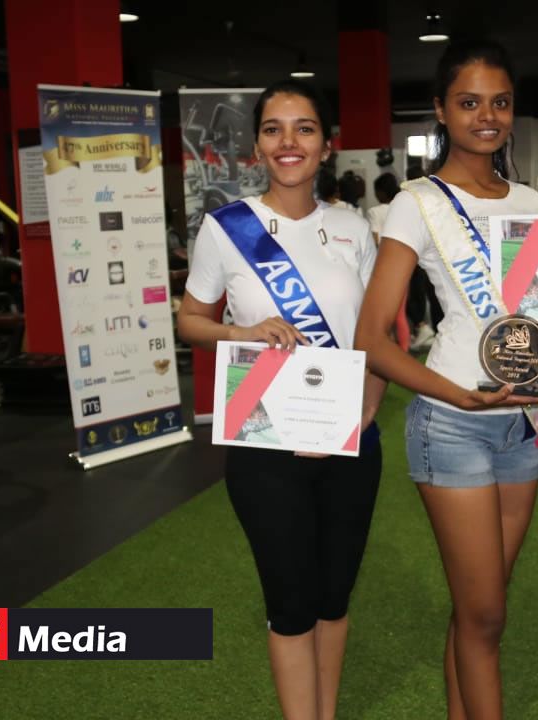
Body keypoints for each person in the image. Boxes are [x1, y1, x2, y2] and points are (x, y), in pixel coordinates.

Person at [354, 38, 538, 720]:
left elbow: (528, 315)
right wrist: (457, 393)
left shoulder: (527, 197)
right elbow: (372, 339)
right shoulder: (415, 202)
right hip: (452, 421)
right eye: (468, 102)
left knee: (481, 607)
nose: (485, 116)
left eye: (499, 102)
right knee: (484, 615)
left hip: (521, 422)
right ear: (440, 111)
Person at [176, 80, 385, 720]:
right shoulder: (224, 229)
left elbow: (378, 335)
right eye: (273, 129)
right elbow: (189, 321)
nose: (288, 142)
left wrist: (366, 410)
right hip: (264, 442)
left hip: (351, 435)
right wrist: (240, 333)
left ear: (327, 144)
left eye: (304, 128)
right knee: (291, 600)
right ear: (258, 145)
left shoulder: (355, 228)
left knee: (333, 596)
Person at [366, 172, 413, 351]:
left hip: (384, 267)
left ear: (380, 192)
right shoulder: (402, 209)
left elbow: (376, 240)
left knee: (384, 316)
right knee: (400, 313)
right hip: (406, 265)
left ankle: (396, 354)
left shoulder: (374, 212)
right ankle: (404, 351)